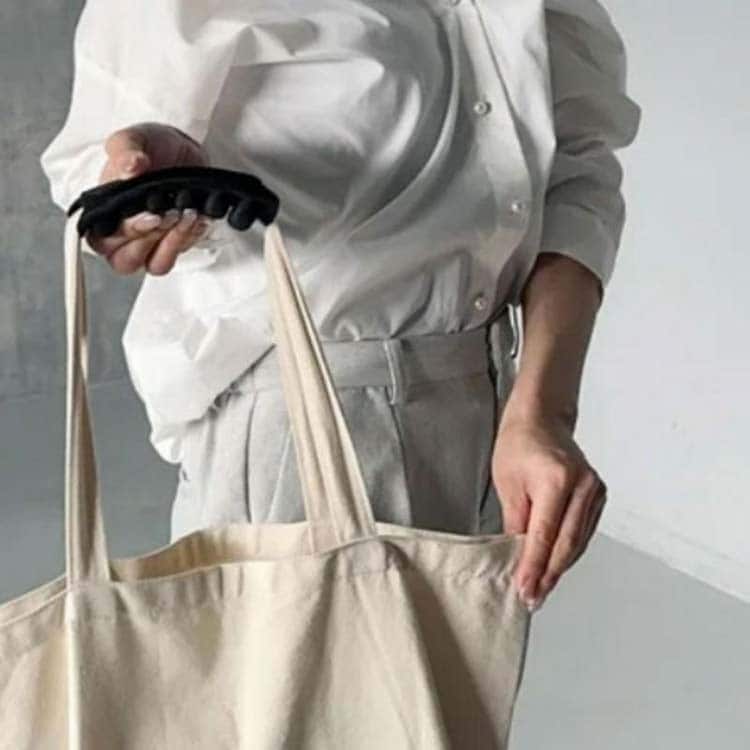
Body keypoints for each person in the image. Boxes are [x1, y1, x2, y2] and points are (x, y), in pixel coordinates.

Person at [40, 0, 641, 613]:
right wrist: (147, 196)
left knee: (457, 677)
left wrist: (541, 410)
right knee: (275, 671)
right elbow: (100, 172)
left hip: (492, 413)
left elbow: (576, 180)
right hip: (303, 418)